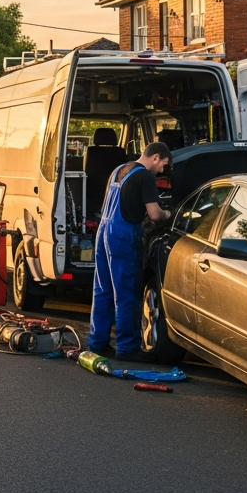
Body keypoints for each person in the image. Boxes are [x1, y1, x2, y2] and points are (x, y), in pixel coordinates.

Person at [88, 141, 171, 362]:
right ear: (155, 157)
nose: (162, 169)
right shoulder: (145, 177)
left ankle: (97, 343)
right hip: (123, 236)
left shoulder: (119, 169)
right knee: (127, 294)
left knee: (103, 290)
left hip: (104, 232)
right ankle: (127, 348)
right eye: (163, 164)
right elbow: (153, 214)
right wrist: (167, 215)